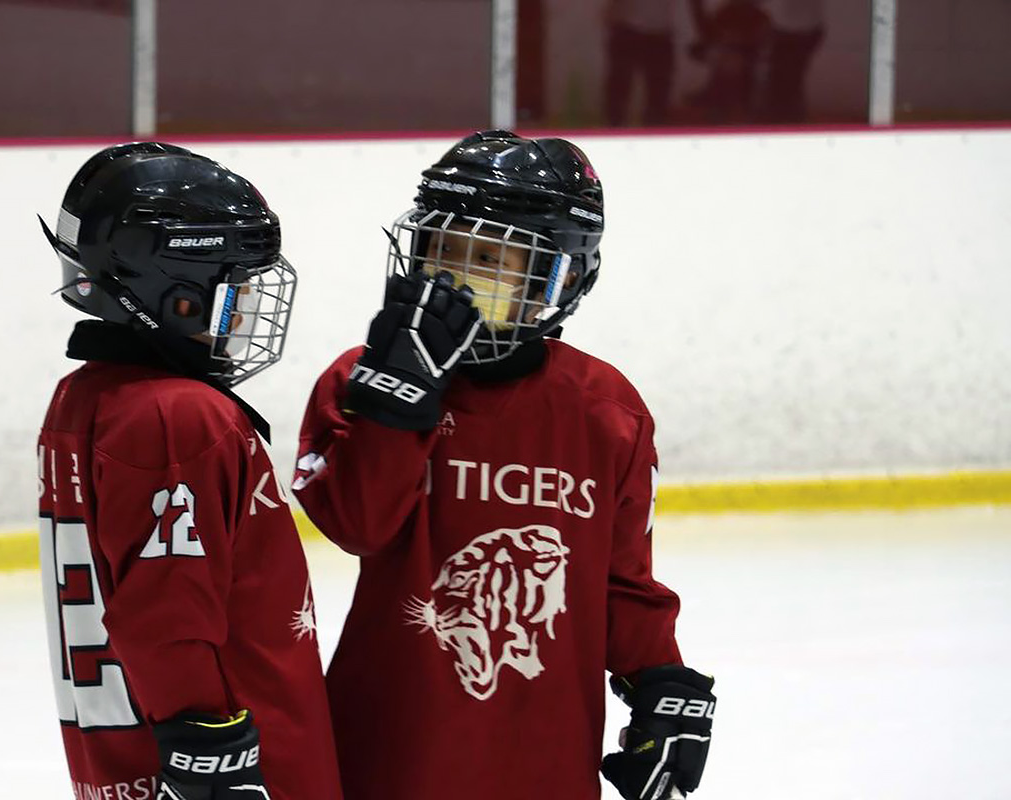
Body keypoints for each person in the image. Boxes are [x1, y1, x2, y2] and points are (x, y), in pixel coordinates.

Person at [292, 129, 716, 800]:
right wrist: (398, 400)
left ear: (561, 276)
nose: (454, 277)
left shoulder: (605, 411)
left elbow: (619, 579)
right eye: (442, 249)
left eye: (489, 257)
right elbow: (357, 525)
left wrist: (659, 680)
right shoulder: (359, 381)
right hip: (388, 758)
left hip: (545, 762)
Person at [36, 141, 342, 800]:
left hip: (130, 767)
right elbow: (166, 622)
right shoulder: (177, 415)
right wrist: (212, 763)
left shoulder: (84, 398)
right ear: (176, 295)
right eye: (233, 287)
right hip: (239, 775)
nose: (246, 309)